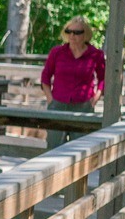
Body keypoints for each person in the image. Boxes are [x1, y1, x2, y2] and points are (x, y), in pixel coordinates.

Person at [41, 16, 105, 147]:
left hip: (83, 106)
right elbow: (45, 77)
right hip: (57, 105)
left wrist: (95, 99)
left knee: (80, 149)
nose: (72, 35)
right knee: (54, 148)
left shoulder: (96, 54)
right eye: (68, 31)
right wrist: (50, 99)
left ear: (85, 34)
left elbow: (103, 79)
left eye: (77, 32)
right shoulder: (57, 52)